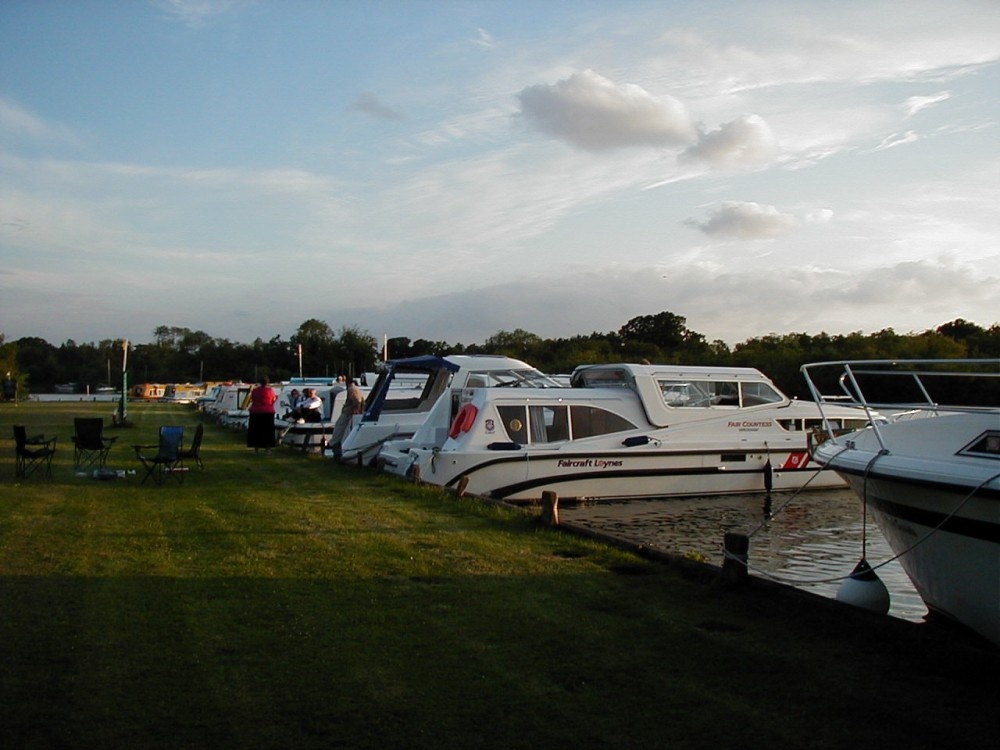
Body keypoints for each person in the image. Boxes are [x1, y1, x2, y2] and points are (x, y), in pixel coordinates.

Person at [328, 377, 365, 459]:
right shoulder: (355, 389)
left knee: (338, 430)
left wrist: (356, 409)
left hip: (348, 413)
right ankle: (337, 449)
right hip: (349, 412)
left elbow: (357, 400)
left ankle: (336, 449)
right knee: (340, 430)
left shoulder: (352, 389)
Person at [247, 377, 278, 453]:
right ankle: (268, 449)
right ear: (267, 383)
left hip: (256, 411)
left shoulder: (255, 391)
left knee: (256, 430)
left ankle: (256, 448)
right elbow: (273, 400)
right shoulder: (270, 391)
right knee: (268, 431)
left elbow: (252, 399)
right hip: (268, 412)